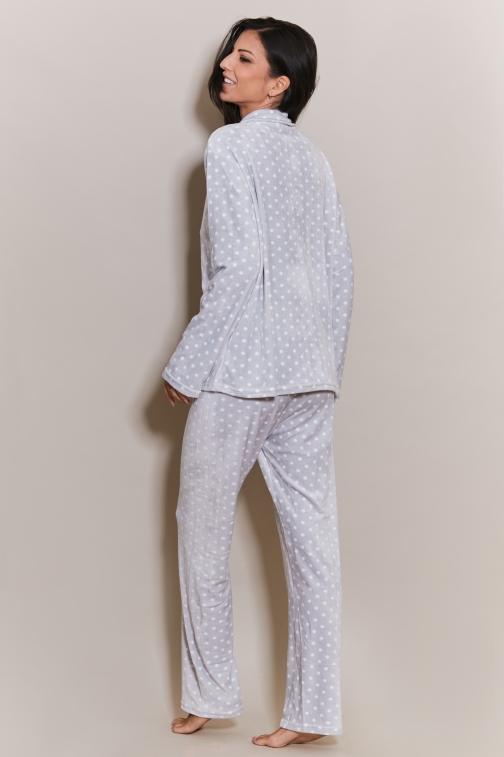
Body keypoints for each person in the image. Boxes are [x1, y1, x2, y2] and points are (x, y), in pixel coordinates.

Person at [162, 16, 354, 748]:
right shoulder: (316, 161)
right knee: (315, 548)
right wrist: (327, 370)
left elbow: (238, 265)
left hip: (240, 372)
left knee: (201, 531)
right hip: (309, 376)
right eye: (228, 54)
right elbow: (341, 272)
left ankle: (210, 695)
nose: (226, 66)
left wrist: (188, 365)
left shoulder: (230, 145)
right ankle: (312, 714)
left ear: (278, 84)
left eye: (244, 59)